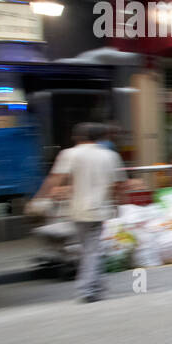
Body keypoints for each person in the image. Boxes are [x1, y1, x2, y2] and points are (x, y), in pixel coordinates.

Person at [44, 122, 125, 303]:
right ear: (100, 137)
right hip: (99, 209)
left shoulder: (69, 154)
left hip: (76, 208)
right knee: (92, 249)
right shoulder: (110, 156)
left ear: (78, 137)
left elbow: (56, 179)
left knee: (88, 248)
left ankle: (96, 285)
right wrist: (118, 202)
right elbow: (119, 184)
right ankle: (88, 289)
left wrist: (48, 196)